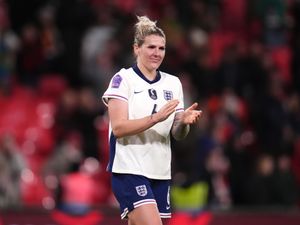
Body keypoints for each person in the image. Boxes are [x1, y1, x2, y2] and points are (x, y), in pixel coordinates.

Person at [102, 15, 202, 225]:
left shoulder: (173, 83)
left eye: (161, 48)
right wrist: (156, 118)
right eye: (151, 47)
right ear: (136, 49)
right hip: (129, 170)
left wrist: (182, 122)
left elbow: (177, 134)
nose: (157, 53)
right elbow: (119, 128)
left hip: (160, 171)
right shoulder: (122, 80)